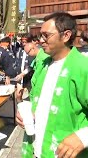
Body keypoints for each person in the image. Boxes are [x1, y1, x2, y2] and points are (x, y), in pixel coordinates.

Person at [17, 12, 88, 157]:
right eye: (40, 36)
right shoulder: (43, 64)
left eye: (46, 35)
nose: (41, 40)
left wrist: (83, 137)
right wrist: (25, 113)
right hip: (37, 149)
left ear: (66, 35)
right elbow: (37, 100)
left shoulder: (82, 67)